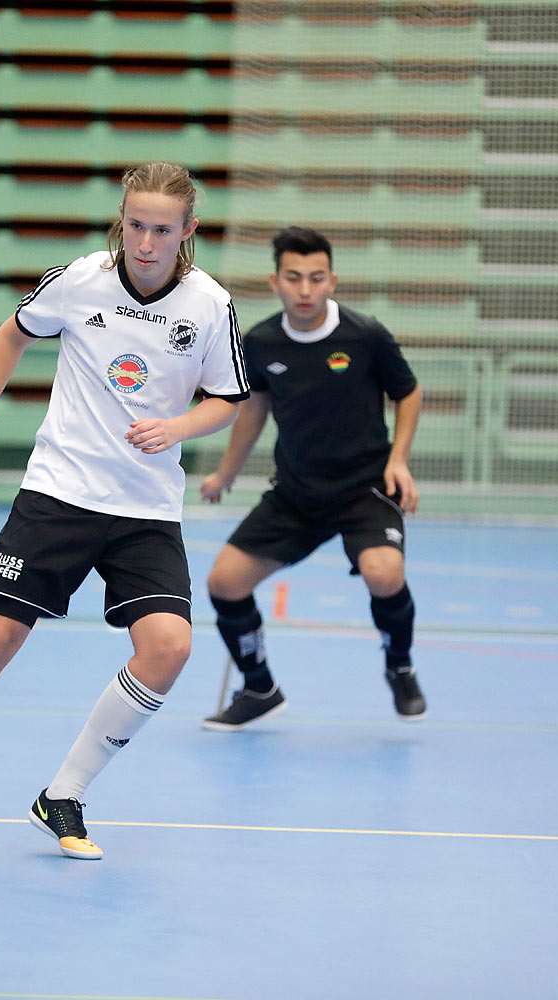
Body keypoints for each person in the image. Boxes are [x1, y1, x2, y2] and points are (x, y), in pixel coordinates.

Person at [0, 162, 249, 861]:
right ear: (121, 219)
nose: (144, 241)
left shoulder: (209, 304)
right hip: (58, 493)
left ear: (188, 231)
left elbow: (227, 399)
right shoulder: (80, 280)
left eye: (161, 230)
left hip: (144, 508)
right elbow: (11, 335)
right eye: (134, 224)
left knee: (168, 647)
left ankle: (64, 795)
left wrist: (178, 427)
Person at [199, 226, 425, 730]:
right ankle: (259, 688)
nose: (305, 290)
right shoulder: (258, 342)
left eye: (316, 278)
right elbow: (253, 410)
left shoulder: (364, 335)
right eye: (294, 278)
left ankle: (400, 666)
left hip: (365, 488)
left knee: (384, 574)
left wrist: (399, 459)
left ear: (332, 281)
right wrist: (226, 472)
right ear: (275, 281)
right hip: (297, 492)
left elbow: (408, 393)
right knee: (224, 583)